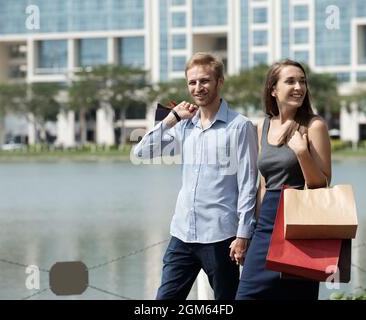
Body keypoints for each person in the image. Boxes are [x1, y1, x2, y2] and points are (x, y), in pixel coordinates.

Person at [134, 52, 258, 300]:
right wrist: (171, 119)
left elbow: (248, 183)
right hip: (182, 234)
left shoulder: (239, 126)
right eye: (192, 82)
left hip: (221, 237)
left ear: (219, 82)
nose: (198, 88)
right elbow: (141, 152)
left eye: (204, 81)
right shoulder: (183, 125)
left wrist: (244, 235)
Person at [235, 59, 332, 300]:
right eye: (291, 81)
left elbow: (322, 185)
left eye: (302, 81)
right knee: (245, 295)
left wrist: (301, 153)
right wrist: (249, 231)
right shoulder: (262, 127)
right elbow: (264, 184)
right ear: (273, 89)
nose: (299, 86)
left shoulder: (314, 125)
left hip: (301, 224)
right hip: (266, 224)